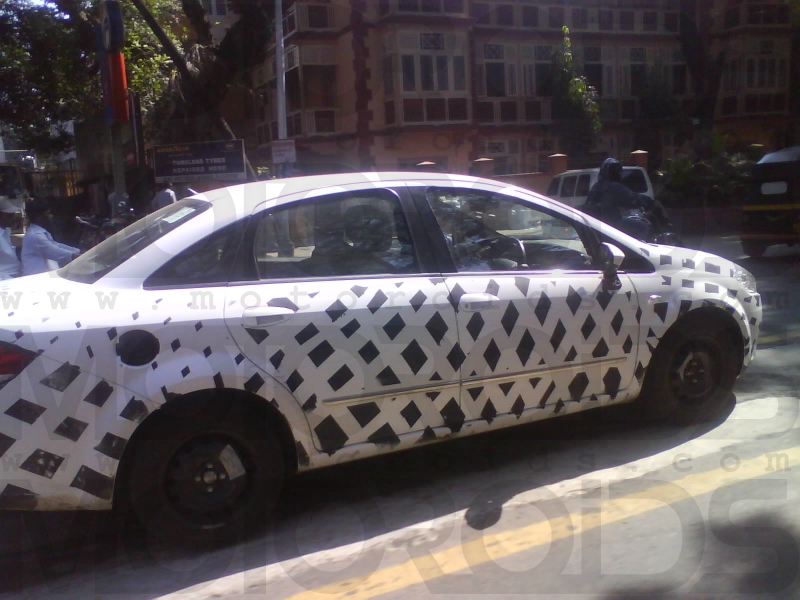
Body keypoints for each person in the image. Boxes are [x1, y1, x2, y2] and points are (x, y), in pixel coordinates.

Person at [584, 157, 655, 239]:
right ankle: (636, 251)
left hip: (597, 223)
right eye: (614, 171)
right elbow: (632, 198)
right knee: (643, 227)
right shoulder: (613, 187)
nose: (617, 173)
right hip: (610, 222)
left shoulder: (597, 186)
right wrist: (650, 202)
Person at [21, 198, 80, 276]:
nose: (51, 216)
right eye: (48, 213)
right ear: (39, 216)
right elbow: (54, 251)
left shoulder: (39, 232)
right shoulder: (35, 236)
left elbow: (57, 245)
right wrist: (76, 256)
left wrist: (78, 251)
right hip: (37, 280)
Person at [0, 198, 22, 280]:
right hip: (5, 277)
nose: (13, 218)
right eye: (9, 216)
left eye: (13, 215)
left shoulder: (6, 231)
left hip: (16, 273)